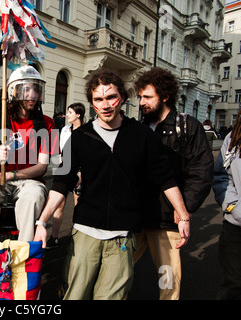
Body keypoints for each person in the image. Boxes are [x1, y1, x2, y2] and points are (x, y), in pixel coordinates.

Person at [33, 70, 191, 300]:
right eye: (98, 99)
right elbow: (61, 183)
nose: (105, 104)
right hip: (85, 232)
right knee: (74, 295)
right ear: (92, 102)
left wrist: (183, 214)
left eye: (111, 97)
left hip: (122, 236)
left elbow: (165, 178)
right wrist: (42, 221)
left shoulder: (142, 136)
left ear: (123, 99)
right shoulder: (79, 138)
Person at [134, 67, 213, 300]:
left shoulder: (187, 127)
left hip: (167, 220)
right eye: (139, 97)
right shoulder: (138, 128)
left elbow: (201, 172)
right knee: (118, 273)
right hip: (136, 217)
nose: (141, 102)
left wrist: (183, 209)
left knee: (167, 282)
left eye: (147, 97)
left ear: (165, 96)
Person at [0, 65, 58, 242]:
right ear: (13, 92)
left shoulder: (47, 124)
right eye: (26, 89)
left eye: (35, 89)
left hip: (30, 182)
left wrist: (12, 175)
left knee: (33, 196)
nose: (32, 95)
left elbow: (42, 167)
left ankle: (25, 254)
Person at [47, 103, 85, 249]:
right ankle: (54, 237)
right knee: (59, 203)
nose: (67, 115)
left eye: (70, 112)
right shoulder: (65, 130)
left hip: (79, 170)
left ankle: (76, 234)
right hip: (64, 168)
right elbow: (60, 149)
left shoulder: (85, 132)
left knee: (78, 204)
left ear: (78, 115)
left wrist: (80, 173)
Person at [213, 109, 241, 299]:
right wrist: (233, 207)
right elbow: (222, 176)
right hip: (236, 226)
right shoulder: (234, 138)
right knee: (234, 284)